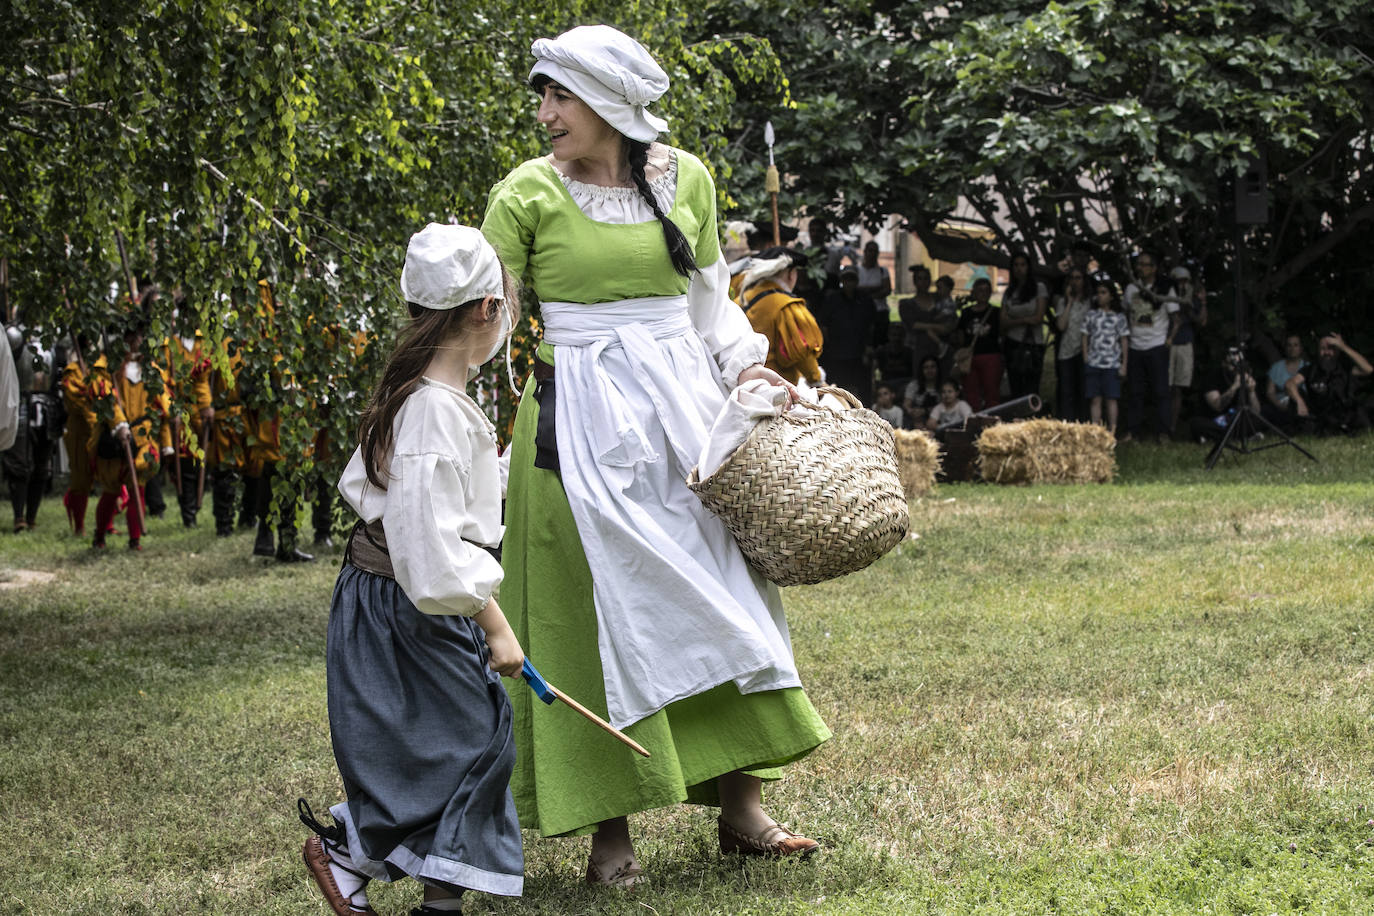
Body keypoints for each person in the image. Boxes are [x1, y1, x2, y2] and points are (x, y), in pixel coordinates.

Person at [481, 24, 828, 888]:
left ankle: (743, 807)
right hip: (578, 423)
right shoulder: (526, 195)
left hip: (686, 419)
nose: (545, 112)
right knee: (589, 610)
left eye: (560, 95)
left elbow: (713, 307)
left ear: (608, 103)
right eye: (545, 95)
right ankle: (610, 832)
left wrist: (753, 374)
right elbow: (482, 323)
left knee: (723, 587)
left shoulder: (688, 179)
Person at [298, 224, 525, 916]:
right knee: (471, 744)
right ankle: (371, 864)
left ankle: (360, 858)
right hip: (408, 606)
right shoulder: (431, 411)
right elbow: (428, 555)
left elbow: (442, 507)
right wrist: (498, 626)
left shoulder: (432, 399)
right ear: (487, 309)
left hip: (401, 601)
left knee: (448, 747)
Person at [88, 321, 172, 551]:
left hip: (143, 437)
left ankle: (134, 540)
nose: (136, 341)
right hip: (116, 436)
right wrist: (118, 424)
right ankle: (99, 536)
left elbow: (162, 401)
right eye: (132, 336)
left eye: (140, 336)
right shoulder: (107, 366)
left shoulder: (152, 368)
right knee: (111, 490)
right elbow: (102, 394)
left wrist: (167, 439)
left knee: (139, 489)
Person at [736, 246, 824, 386]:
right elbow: (802, 352)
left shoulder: (740, 300)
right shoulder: (787, 306)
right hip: (779, 390)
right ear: (790, 274)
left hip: (741, 385)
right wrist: (816, 379)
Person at [2, 327, 58, 533]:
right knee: (19, 465)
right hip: (22, 404)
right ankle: (19, 517)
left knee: (42, 467)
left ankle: (32, 517)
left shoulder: (50, 340)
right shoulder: (16, 336)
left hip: (47, 407)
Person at [1122, 251, 1179, 442]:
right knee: (1135, 391)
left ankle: (1163, 432)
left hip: (1156, 344)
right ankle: (1133, 431)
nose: (1141, 268)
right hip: (1135, 345)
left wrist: (1169, 339)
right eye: (1139, 264)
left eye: (1145, 265)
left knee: (1161, 391)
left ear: (1154, 268)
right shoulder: (1131, 288)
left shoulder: (1164, 288)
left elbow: (1175, 318)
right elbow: (1126, 312)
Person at [1285, 332, 1373, 435]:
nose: (1327, 352)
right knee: (1295, 398)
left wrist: (1343, 346)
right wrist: (1299, 401)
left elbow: (1368, 369)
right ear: (1318, 350)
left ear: (1337, 351)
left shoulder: (1345, 367)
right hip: (1321, 418)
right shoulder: (1311, 369)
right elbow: (1290, 384)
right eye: (1323, 349)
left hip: (1347, 414)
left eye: (1331, 348)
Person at [817, 265, 877, 402]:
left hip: (859, 354)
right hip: (837, 354)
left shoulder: (865, 300)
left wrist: (869, 346)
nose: (849, 282)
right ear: (841, 280)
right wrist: (830, 345)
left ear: (857, 281)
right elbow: (823, 325)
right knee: (837, 389)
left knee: (862, 390)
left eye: (852, 279)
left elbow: (872, 326)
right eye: (846, 279)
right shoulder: (832, 300)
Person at [1080, 279, 1130, 433]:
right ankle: (1096, 431)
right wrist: (1086, 357)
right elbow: (1085, 336)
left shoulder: (1119, 317)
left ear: (1111, 296)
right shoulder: (1091, 315)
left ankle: (1112, 431)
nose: (1100, 296)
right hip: (1094, 363)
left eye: (1104, 293)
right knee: (1095, 399)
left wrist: (1123, 364)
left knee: (1111, 399)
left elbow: (1124, 340)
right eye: (1098, 293)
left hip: (1112, 364)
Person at [999, 251, 1050, 401]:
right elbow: (1003, 321)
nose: (1019, 269)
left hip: (1033, 343)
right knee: (1015, 387)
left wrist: (1014, 319)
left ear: (1028, 267)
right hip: (1012, 343)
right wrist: (1025, 319)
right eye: (1015, 265)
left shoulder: (1039, 288)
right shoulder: (1009, 292)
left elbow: (1038, 318)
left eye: (1023, 265)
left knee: (1031, 387)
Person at [1190, 345, 1262, 443]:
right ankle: (1235, 438)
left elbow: (1256, 412)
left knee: (1258, 420)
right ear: (1223, 363)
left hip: (1236, 421)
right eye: (1232, 365)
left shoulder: (1246, 375)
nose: (1235, 369)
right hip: (1215, 420)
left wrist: (1251, 391)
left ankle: (1216, 438)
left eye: (1239, 365)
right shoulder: (1213, 377)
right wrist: (1234, 387)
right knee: (1196, 423)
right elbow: (1217, 406)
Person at [1166, 265, 1207, 435]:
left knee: (1178, 388)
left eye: (1185, 281)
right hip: (1167, 345)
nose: (1182, 285)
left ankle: (1172, 427)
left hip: (1185, 345)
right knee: (1165, 387)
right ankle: (1163, 425)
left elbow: (1202, 322)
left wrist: (1202, 301)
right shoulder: (1166, 297)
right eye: (1178, 282)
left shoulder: (1192, 300)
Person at [898, 265, 956, 380]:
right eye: (920, 278)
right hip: (919, 348)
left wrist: (930, 327)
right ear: (914, 281)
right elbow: (912, 324)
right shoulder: (907, 304)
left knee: (944, 379)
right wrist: (937, 326)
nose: (923, 282)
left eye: (926, 278)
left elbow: (951, 320)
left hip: (941, 348)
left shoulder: (940, 299)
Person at [955, 277, 1002, 411]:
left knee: (991, 391)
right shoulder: (966, 313)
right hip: (970, 358)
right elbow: (960, 335)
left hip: (991, 355)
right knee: (971, 392)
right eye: (980, 290)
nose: (983, 293)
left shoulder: (996, 312)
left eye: (986, 290)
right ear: (974, 292)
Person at [1051, 267, 1092, 421]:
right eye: (1072, 278)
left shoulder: (1089, 302)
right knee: (1066, 390)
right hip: (1066, 351)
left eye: (1078, 278)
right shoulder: (1062, 301)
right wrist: (1068, 302)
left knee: (1083, 389)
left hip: (1084, 351)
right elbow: (1061, 326)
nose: (1075, 282)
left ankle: (1082, 421)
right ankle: (1066, 422)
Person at [1264, 333, 1307, 430]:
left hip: (1302, 404)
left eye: (1296, 345)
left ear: (1301, 348)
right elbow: (1270, 392)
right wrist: (1280, 405)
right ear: (1285, 348)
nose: (1292, 348)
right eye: (1289, 345)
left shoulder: (1308, 367)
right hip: (1281, 405)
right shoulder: (1276, 367)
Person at [856, 240, 892, 344]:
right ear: (865, 252)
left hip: (880, 311)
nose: (872, 254)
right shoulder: (857, 270)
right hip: (861, 311)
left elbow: (887, 290)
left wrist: (866, 292)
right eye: (870, 251)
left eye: (875, 251)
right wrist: (876, 288)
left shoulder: (882, 271)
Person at [902, 354, 942, 429]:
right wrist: (912, 411)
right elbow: (906, 404)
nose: (929, 370)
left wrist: (925, 411)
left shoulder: (943, 386)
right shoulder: (914, 385)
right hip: (916, 420)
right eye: (926, 367)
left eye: (932, 367)